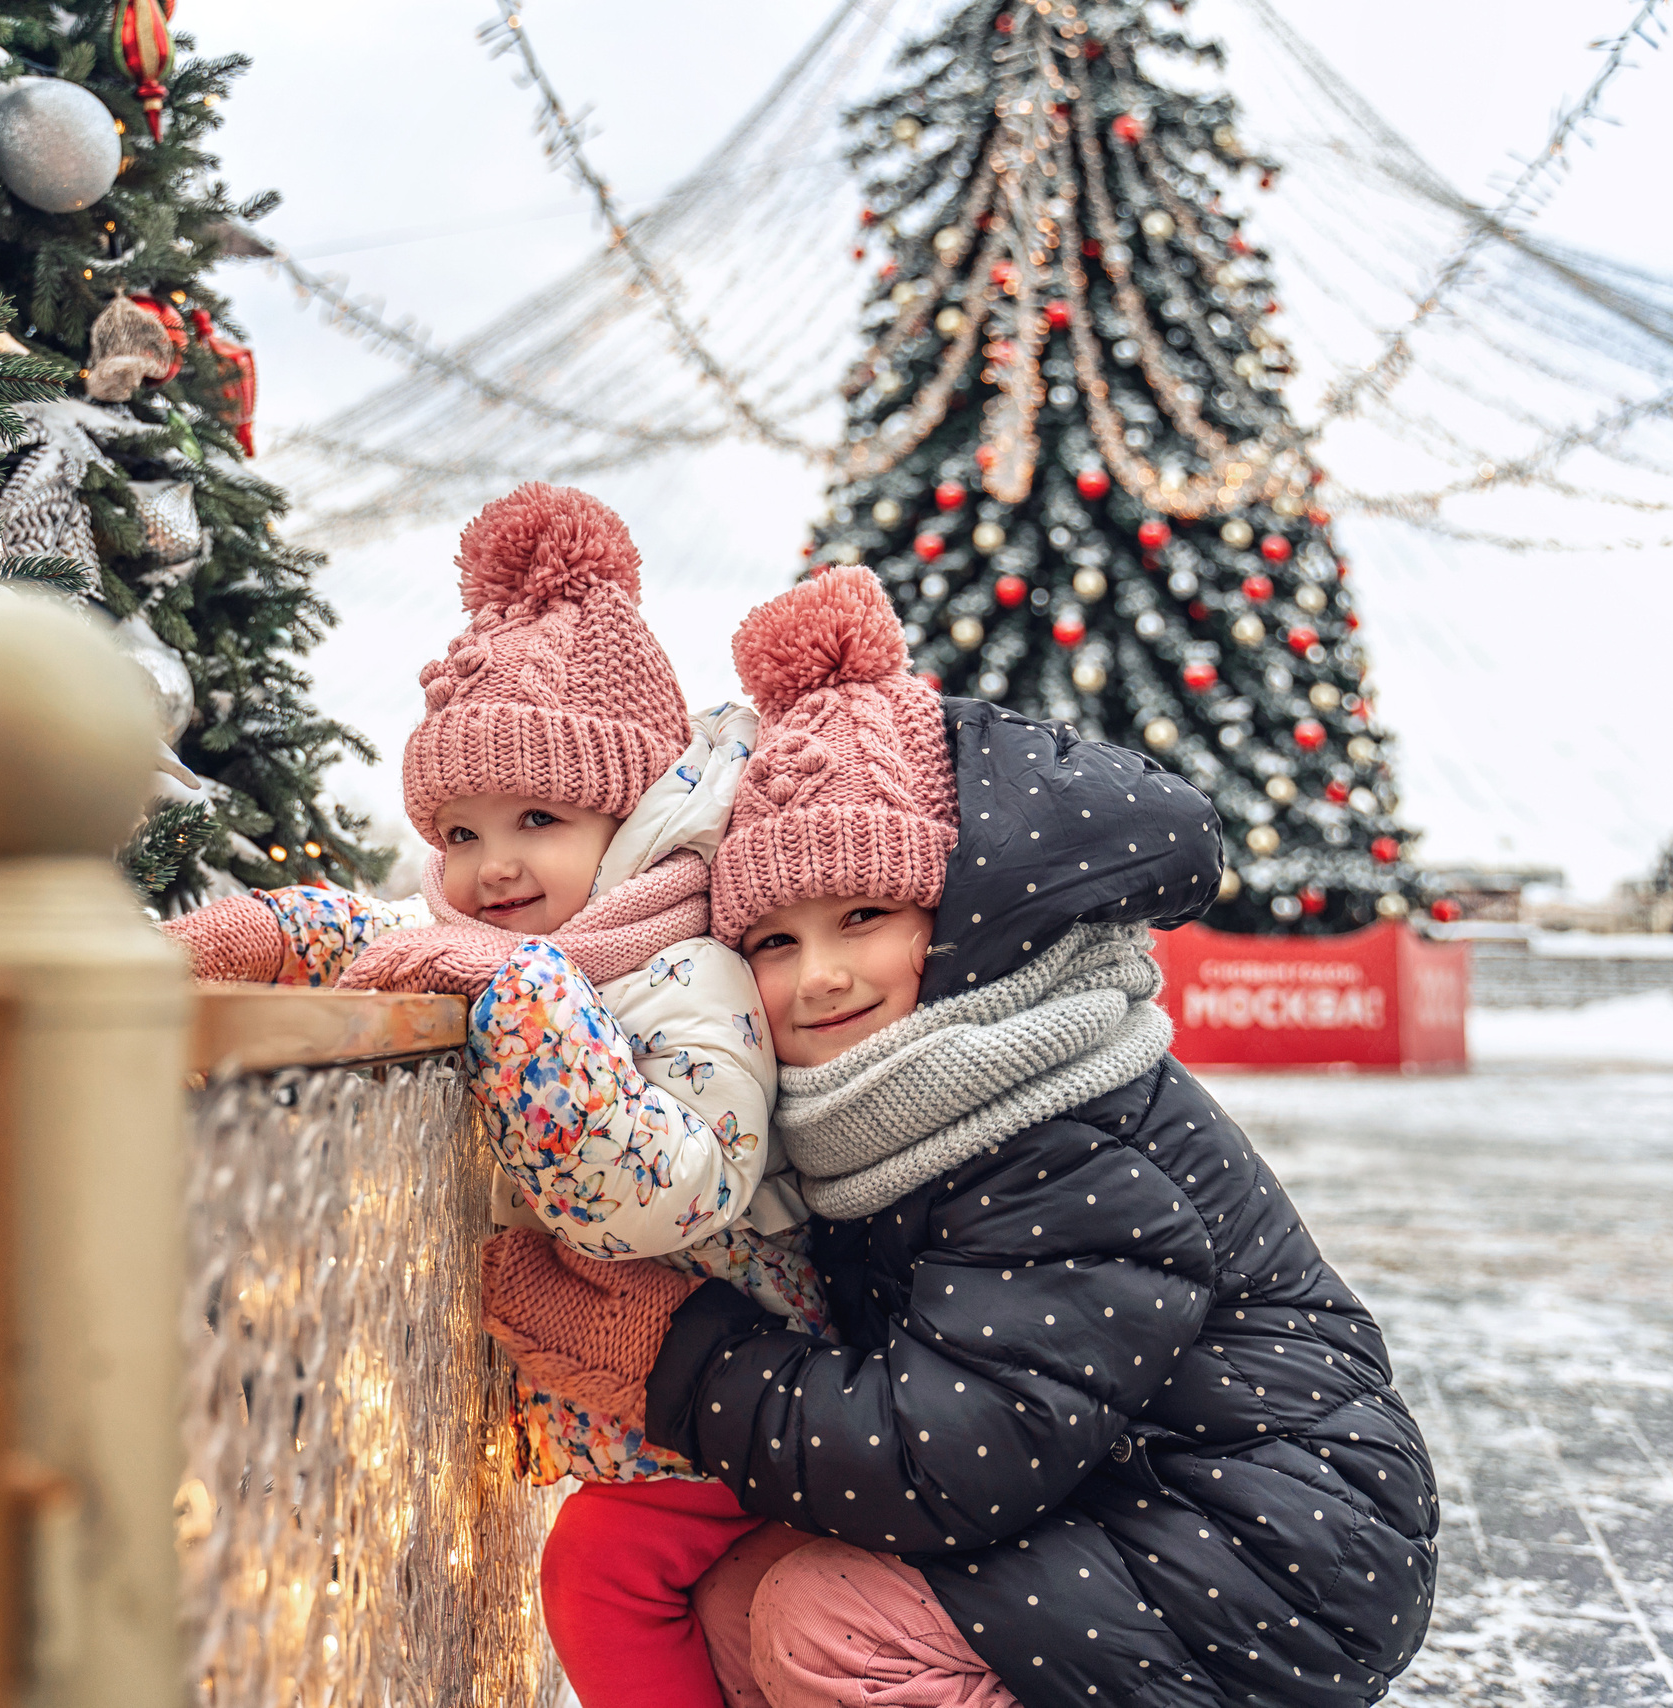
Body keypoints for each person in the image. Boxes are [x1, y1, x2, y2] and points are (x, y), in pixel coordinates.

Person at [482, 567, 1438, 1707]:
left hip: (1268, 1550)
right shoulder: (887, 1107)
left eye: (865, 918)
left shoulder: (1053, 1124)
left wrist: (674, 1352)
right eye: (773, 942)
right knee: (716, 1589)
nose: (819, 974)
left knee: (823, 1625)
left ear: (956, 929)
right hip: (1110, 1509)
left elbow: (944, 1453)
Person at [167, 484, 826, 1708]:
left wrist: (521, 991)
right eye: (461, 833)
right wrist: (267, 931)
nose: (494, 864)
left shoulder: (688, 968)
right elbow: (403, 943)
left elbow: (666, 1194)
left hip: (742, 1393)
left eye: (539, 817)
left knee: (599, 1570)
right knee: (612, 1579)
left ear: (628, 816)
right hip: (644, 1410)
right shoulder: (552, 950)